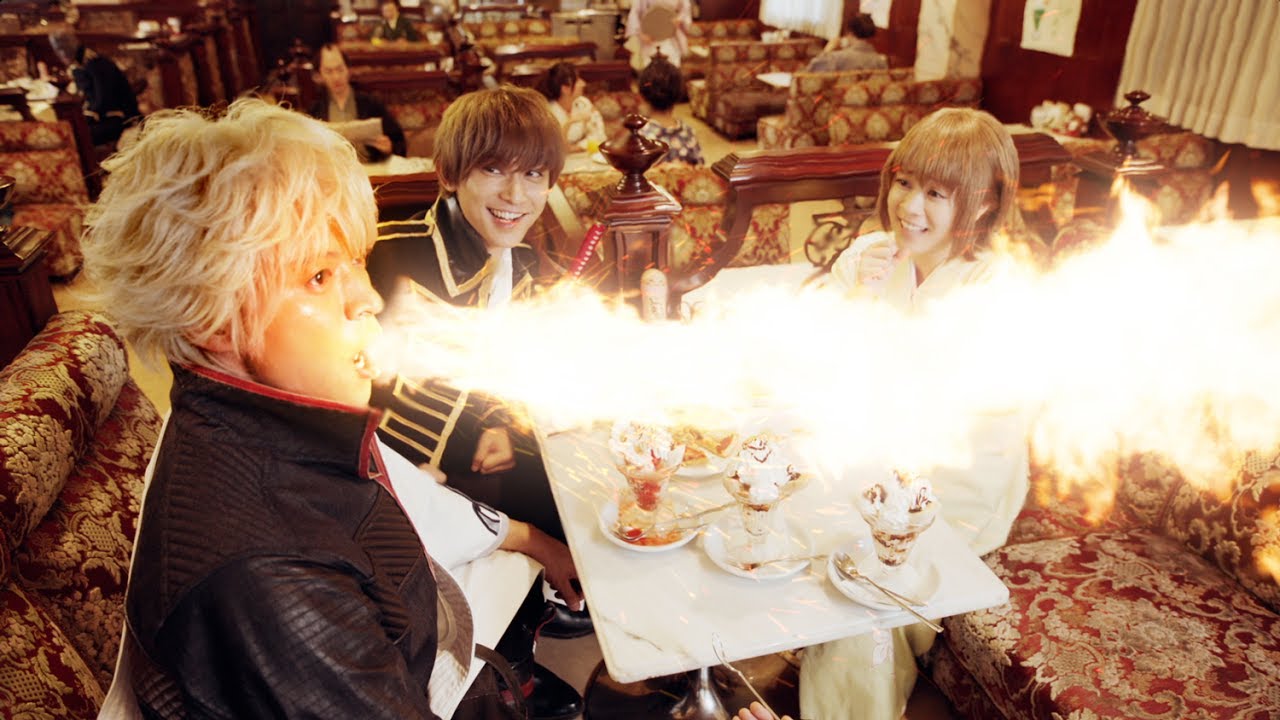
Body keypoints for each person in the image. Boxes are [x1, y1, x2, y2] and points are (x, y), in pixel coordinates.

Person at [83, 98, 580, 718]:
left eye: (354, 263)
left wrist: (528, 536)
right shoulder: (269, 581)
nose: (367, 297)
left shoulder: (281, 422)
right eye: (319, 276)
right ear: (212, 318)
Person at [366, 85, 588, 720]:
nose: (515, 194)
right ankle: (494, 679)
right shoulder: (387, 252)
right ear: (449, 173)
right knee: (538, 502)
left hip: (457, 458)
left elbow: (500, 365)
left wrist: (495, 421)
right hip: (383, 475)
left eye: (534, 174)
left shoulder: (526, 266)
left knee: (575, 468)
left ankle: (527, 640)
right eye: (493, 169)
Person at [803, 108, 1033, 719]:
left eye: (937, 194)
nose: (909, 206)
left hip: (953, 487)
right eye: (904, 182)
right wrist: (856, 301)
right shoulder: (868, 255)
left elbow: (938, 405)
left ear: (985, 204)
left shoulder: (998, 290)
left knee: (865, 602)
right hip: (864, 458)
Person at [307, 43, 406, 162]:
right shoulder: (315, 109)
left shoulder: (370, 103)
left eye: (340, 69)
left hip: (369, 168)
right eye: (329, 71)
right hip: (333, 169)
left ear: (348, 69)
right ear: (319, 75)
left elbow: (399, 142)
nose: (336, 77)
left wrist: (389, 147)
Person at [47, 28, 140, 146]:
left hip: (119, 118)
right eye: (58, 50)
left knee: (77, 136)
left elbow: (103, 101)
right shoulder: (79, 65)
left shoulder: (96, 64)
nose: (61, 54)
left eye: (62, 49)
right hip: (102, 116)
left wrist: (85, 117)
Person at [637, 54, 702, 165]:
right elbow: (699, 168)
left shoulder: (640, 137)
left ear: (642, 96)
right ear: (678, 95)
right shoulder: (688, 133)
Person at [535, 62, 606, 153]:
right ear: (565, 89)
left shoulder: (583, 103)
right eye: (578, 81)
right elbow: (554, 147)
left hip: (581, 155)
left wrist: (577, 147)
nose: (583, 83)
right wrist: (570, 122)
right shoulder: (548, 112)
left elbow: (599, 134)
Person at [806, 12, 888, 72]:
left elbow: (810, 72)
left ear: (850, 33)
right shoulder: (880, 62)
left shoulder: (836, 58)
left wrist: (827, 50)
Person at [625, 0, 692, 73]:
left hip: (670, 35)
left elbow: (686, 9)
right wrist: (640, 34)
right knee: (650, 68)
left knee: (671, 67)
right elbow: (634, 13)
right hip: (649, 36)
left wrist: (679, 19)